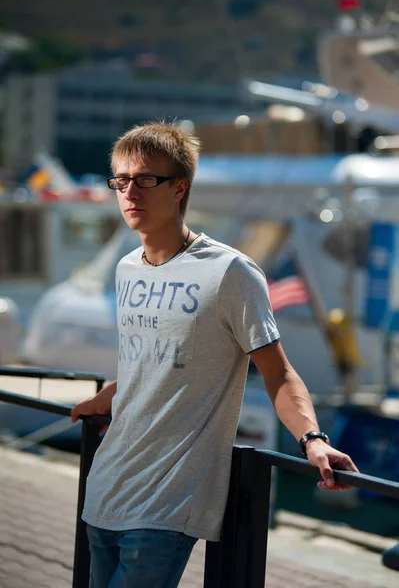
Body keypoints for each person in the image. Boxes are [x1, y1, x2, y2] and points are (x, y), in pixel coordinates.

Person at [71, 121, 358, 588]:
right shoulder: (127, 269)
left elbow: (278, 374)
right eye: (121, 181)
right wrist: (109, 397)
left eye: (146, 179)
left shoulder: (231, 272)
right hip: (103, 490)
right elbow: (161, 360)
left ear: (180, 187)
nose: (130, 193)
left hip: (165, 505)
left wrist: (313, 440)